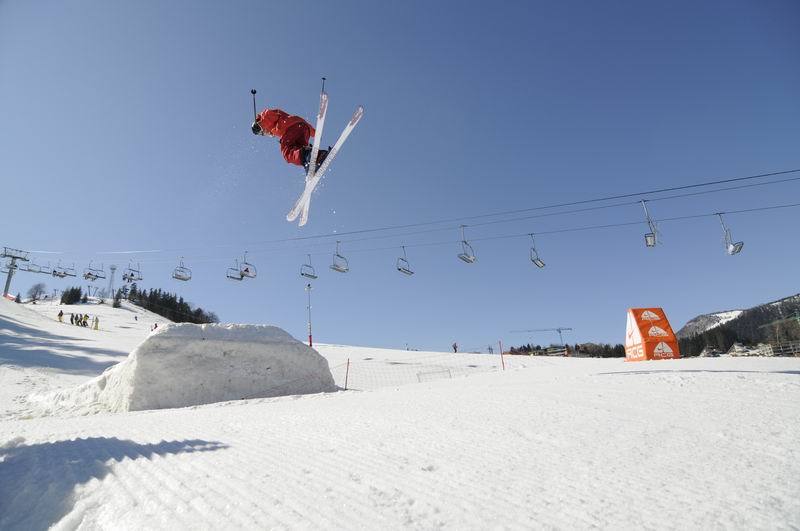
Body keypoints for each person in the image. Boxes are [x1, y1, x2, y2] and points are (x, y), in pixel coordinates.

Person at [251, 107, 329, 173]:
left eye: (262, 132)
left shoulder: (267, 118)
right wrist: (315, 133)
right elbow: (304, 124)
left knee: (287, 151)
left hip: (291, 128)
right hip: (303, 129)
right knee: (298, 149)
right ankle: (317, 156)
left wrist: (260, 124)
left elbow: (269, 115)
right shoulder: (274, 128)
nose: (265, 133)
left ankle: (310, 157)